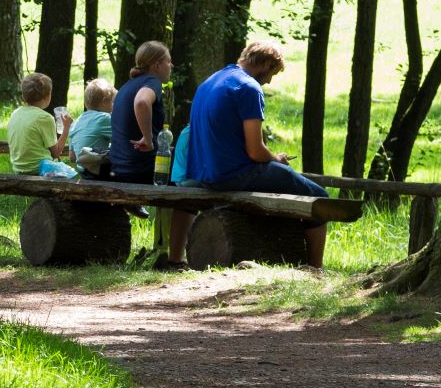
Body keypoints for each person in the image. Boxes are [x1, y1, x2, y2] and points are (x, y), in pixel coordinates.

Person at [177, 36, 329, 267]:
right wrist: (277, 159)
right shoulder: (248, 88)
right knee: (320, 198)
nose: (268, 81)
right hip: (233, 175)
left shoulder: (209, 82)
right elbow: (256, 152)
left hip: (203, 174)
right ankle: (316, 268)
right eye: (272, 74)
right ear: (266, 65)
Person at [109, 40, 172, 184]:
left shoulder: (127, 86)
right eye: (168, 61)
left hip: (119, 167)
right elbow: (142, 102)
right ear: (157, 65)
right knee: (189, 164)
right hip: (141, 169)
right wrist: (148, 139)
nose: (171, 66)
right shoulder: (152, 81)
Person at [6, 72, 76, 179]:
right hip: (38, 169)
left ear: (24, 95)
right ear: (48, 95)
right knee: (71, 174)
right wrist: (66, 128)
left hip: (18, 168)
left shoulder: (15, 113)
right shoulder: (45, 118)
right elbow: (56, 153)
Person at [67, 78, 116, 170]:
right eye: (113, 102)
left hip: (84, 173)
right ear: (104, 101)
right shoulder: (104, 118)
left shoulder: (76, 123)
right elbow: (124, 139)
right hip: (100, 172)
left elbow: (72, 157)